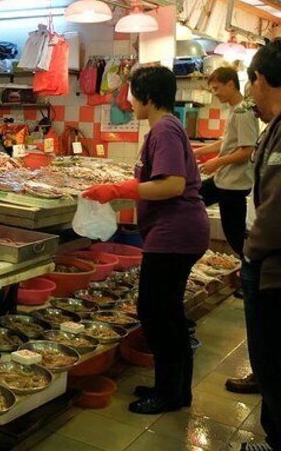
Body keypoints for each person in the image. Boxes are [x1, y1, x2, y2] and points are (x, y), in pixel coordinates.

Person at [84, 66, 209, 415]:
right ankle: (174, 389)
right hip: (177, 233)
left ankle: (169, 394)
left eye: (133, 94)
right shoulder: (165, 128)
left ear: (148, 98)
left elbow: (172, 184)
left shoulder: (164, 129)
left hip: (175, 235)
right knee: (167, 313)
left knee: (157, 313)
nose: (129, 101)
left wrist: (118, 189)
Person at [194, 67, 261, 394]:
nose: (215, 93)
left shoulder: (246, 110)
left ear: (233, 85)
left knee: (236, 236)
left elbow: (247, 150)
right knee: (192, 199)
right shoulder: (237, 110)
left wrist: (215, 163)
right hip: (225, 181)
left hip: (234, 184)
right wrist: (203, 152)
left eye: (218, 87)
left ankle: (247, 276)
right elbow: (229, 143)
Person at [240, 39, 281, 451]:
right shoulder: (275, 127)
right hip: (268, 262)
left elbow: (277, 211)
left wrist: (252, 250)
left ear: (261, 79)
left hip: (273, 267)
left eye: (252, 83)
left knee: (273, 362)